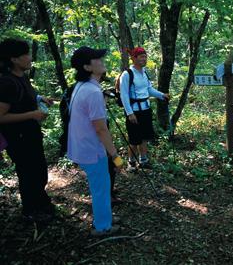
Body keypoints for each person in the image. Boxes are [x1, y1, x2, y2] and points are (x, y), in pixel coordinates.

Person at [68, 46, 124, 236]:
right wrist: (115, 156)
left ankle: (104, 216)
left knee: (102, 185)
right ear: (87, 67)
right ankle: (103, 226)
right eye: (96, 59)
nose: (101, 61)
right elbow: (100, 129)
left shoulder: (83, 87)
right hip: (91, 149)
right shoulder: (92, 91)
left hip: (82, 146)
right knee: (100, 187)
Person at [0, 38, 55, 222]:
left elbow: (25, 97)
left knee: (39, 170)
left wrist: (40, 98)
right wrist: (32, 114)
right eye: (26, 54)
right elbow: (1, 116)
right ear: (14, 59)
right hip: (18, 138)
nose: (30, 58)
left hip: (30, 134)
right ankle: (31, 211)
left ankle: (41, 202)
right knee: (28, 172)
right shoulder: (7, 83)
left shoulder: (21, 77)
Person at [119, 47, 169, 171]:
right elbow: (124, 95)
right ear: (134, 58)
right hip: (134, 111)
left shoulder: (144, 72)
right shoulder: (127, 74)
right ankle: (131, 163)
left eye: (145, 56)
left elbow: (149, 89)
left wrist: (162, 95)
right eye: (141, 57)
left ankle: (144, 160)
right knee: (134, 138)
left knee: (145, 136)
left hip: (146, 109)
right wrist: (130, 113)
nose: (144, 59)